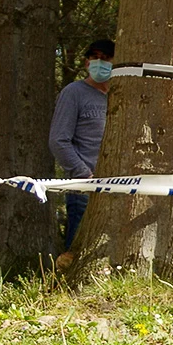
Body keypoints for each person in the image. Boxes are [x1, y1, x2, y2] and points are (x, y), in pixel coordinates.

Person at [49, 37, 115, 262]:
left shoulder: (121, 95)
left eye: (106, 58)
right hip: (84, 189)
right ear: (86, 62)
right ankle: (63, 292)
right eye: (94, 57)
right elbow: (58, 140)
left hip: (120, 188)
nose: (99, 62)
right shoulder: (73, 92)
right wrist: (84, 174)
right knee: (76, 255)